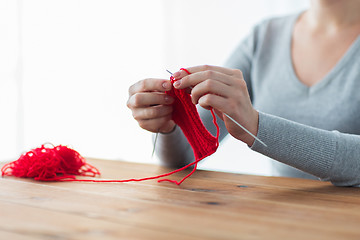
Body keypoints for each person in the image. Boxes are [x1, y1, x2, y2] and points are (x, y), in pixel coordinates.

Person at [127, 0, 360, 186]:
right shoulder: (265, 37)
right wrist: (170, 124)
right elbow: (186, 155)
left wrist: (257, 126)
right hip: (282, 221)